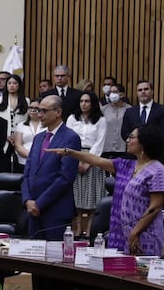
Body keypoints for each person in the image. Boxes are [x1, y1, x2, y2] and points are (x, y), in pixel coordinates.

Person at [46, 124, 164, 256]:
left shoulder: (157, 171)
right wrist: (69, 152)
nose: (127, 140)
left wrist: (135, 232)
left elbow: (155, 207)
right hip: (120, 232)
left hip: (144, 233)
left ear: (144, 142)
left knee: (142, 267)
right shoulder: (126, 165)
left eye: (131, 137)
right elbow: (96, 160)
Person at [20, 95, 81, 240]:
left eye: (44, 111)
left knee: (55, 252)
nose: (39, 115)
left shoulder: (70, 138)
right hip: (32, 209)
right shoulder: (38, 138)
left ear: (58, 112)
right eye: (38, 111)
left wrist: (39, 203)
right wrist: (27, 200)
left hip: (55, 210)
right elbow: (27, 173)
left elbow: (65, 178)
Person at [66, 91, 107, 236]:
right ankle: (77, 228)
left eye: (87, 101)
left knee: (93, 195)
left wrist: (89, 162)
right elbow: (68, 139)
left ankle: (89, 229)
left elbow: (100, 142)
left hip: (93, 158)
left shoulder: (101, 120)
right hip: (74, 156)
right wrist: (76, 159)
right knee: (75, 195)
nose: (84, 104)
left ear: (93, 103)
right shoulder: (72, 118)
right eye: (82, 101)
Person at [8, 98, 45, 168]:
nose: (33, 110)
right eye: (30, 108)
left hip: (43, 160)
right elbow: (18, 145)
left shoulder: (47, 126)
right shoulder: (21, 125)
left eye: (36, 108)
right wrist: (31, 156)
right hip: (24, 161)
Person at [100, 83, 129, 158]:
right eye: (110, 92)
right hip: (106, 149)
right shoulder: (103, 110)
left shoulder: (129, 109)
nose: (112, 94)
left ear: (122, 94)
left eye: (115, 92)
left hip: (124, 149)